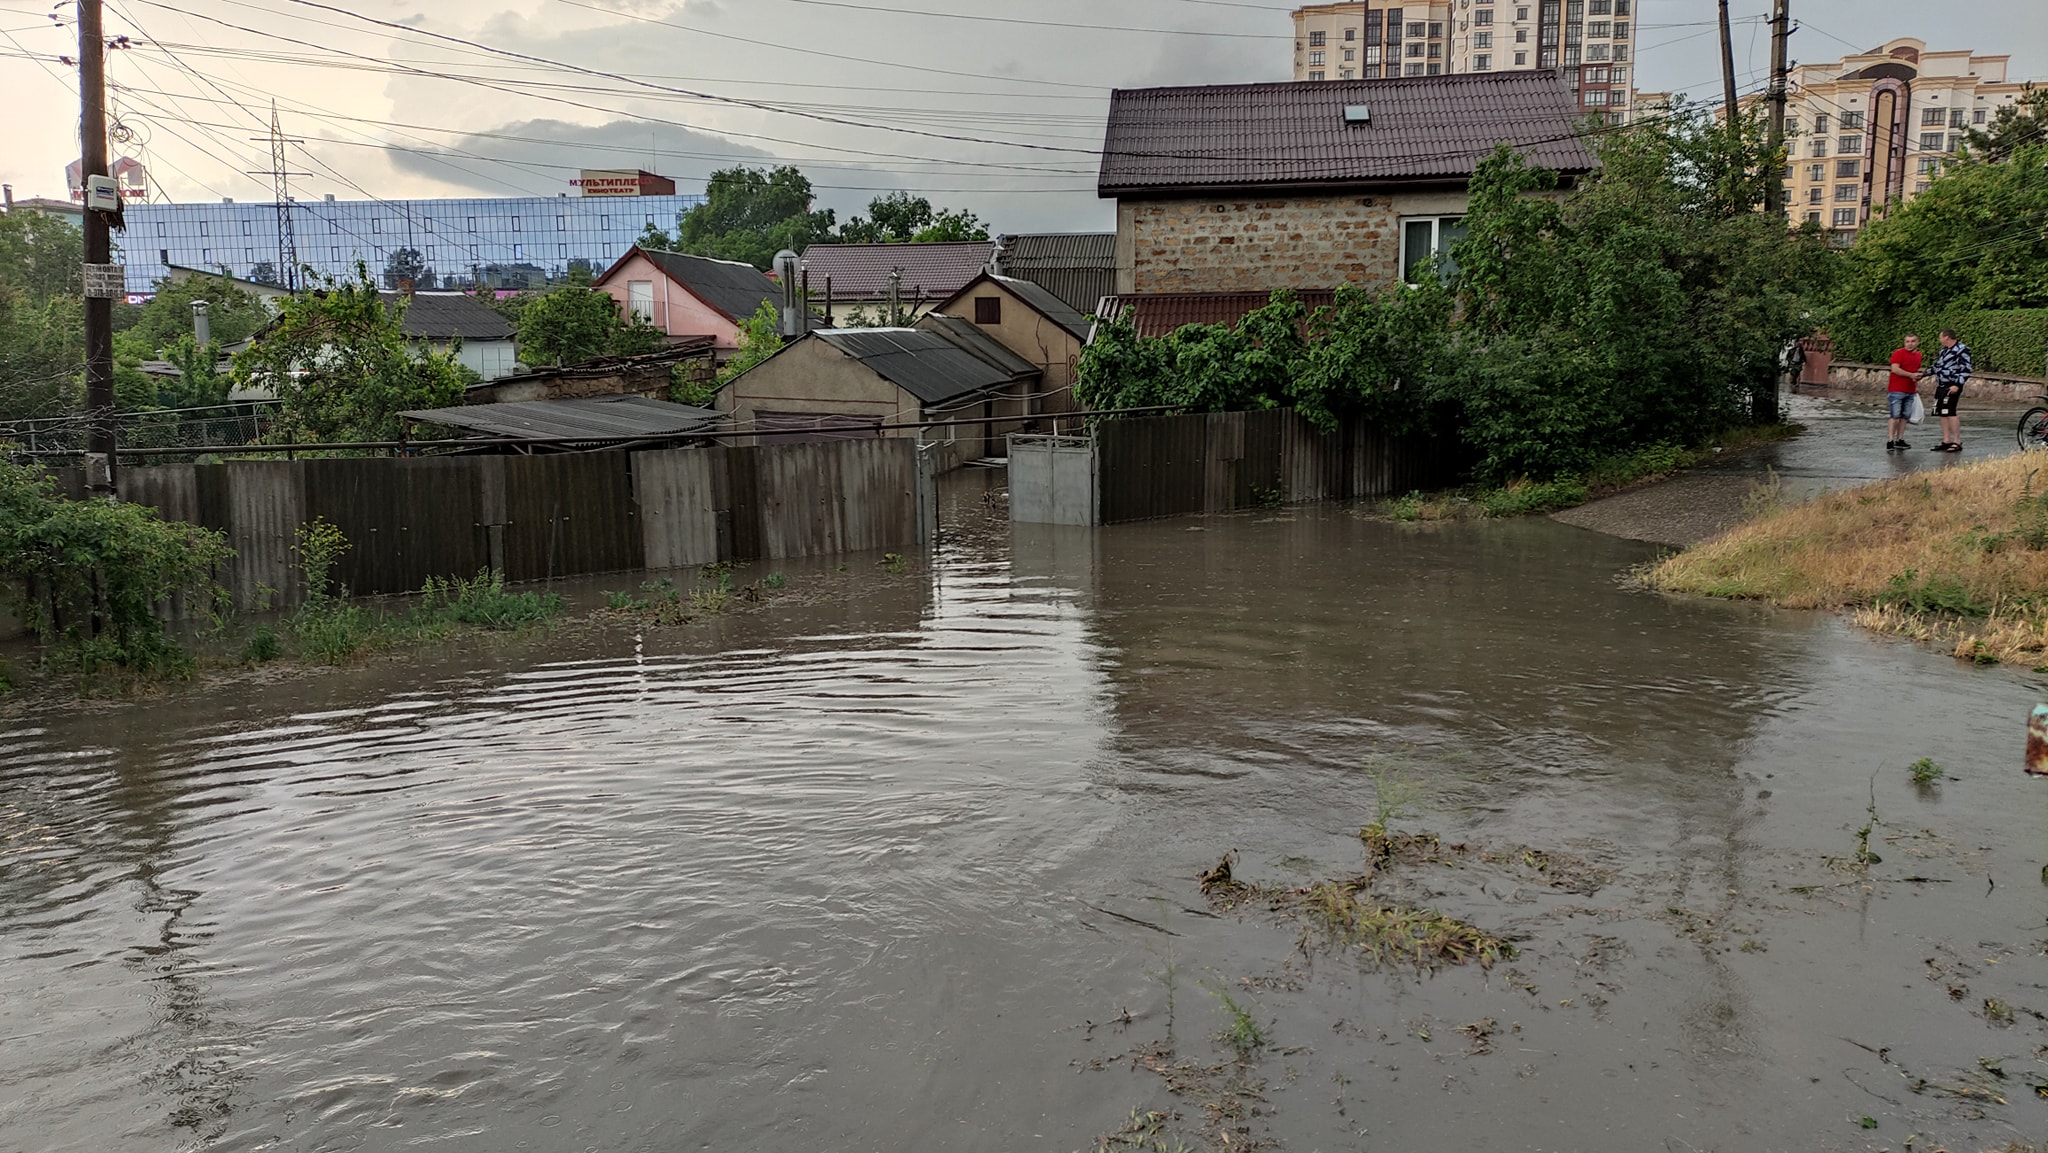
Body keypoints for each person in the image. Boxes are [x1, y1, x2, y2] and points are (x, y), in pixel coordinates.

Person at [1919, 329, 1974, 452]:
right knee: (1942, 412)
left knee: (1950, 411)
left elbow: (1966, 369)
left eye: (1941, 337)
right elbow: (1938, 366)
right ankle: (1946, 440)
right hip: (1941, 384)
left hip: (1952, 385)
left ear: (1947, 337)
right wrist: (1923, 374)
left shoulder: (1962, 349)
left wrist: (1957, 384)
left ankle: (1957, 441)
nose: (1940, 340)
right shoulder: (1943, 351)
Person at [1885, 334, 1922, 451]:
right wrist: (1911, 375)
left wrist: (1916, 377)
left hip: (1910, 389)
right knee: (1895, 415)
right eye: (1907, 341)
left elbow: (1914, 370)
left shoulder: (1918, 355)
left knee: (1904, 416)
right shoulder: (1899, 353)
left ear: (1917, 342)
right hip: (1897, 389)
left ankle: (1900, 439)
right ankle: (1890, 440)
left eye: (1912, 341)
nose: (1910, 344)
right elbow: (1895, 369)